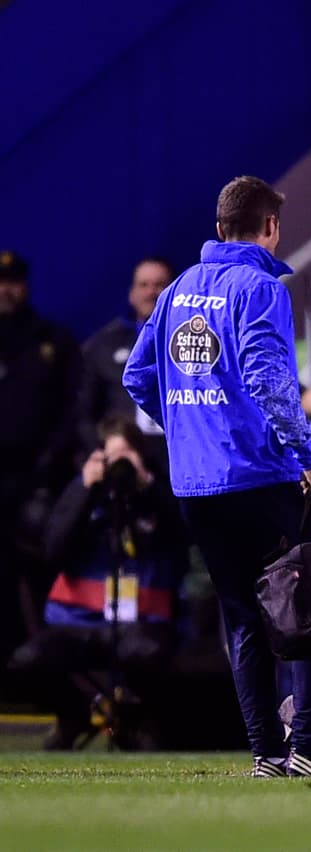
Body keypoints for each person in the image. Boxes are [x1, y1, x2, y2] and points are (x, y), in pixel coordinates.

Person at [122, 176, 311, 778]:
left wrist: (189, 427)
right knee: (308, 607)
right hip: (260, 477)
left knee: (243, 619)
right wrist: (310, 456)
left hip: (198, 488)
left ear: (217, 228)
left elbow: (137, 376)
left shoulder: (178, 289)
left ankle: (267, 755)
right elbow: (268, 381)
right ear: (270, 228)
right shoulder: (259, 288)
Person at [9, 417, 185, 749]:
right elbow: (52, 549)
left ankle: (134, 719)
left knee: (147, 653)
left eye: (127, 454)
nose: (119, 463)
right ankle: (74, 713)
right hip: (77, 621)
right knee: (28, 661)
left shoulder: (155, 492)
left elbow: (184, 541)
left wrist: (147, 485)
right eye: (112, 455)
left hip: (141, 623)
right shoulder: (83, 492)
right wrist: (83, 490)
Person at [0, 250, 82, 670]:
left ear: (26, 286)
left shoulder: (51, 341)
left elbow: (73, 410)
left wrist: (49, 465)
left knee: (40, 577)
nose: (5, 291)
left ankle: (45, 671)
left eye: (12, 282)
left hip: (38, 480)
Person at [77, 257, 173, 454]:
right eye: (143, 285)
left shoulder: (195, 338)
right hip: (120, 455)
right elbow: (83, 411)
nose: (151, 292)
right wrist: (100, 451)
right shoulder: (102, 345)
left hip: (179, 454)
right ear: (132, 294)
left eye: (159, 285)